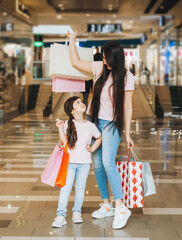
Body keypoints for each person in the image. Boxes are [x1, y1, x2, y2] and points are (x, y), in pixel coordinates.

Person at [67, 29, 135, 229]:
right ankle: (107, 205)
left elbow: (127, 107)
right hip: (93, 121)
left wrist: (128, 132)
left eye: (107, 59)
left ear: (115, 58)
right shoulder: (99, 69)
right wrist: (72, 40)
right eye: (103, 59)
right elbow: (75, 62)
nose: (104, 62)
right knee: (96, 164)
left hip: (112, 124)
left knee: (107, 162)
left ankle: (121, 206)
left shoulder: (126, 77)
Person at [52, 96, 102, 228]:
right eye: (78, 102)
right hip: (69, 162)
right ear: (72, 111)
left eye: (81, 101)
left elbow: (99, 137)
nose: (82, 103)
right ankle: (61, 215)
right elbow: (64, 142)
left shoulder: (91, 126)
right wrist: (60, 128)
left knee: (80, 189)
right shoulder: (69, 124)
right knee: (66, 189)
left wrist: (92, 148)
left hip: (85, 163)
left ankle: (77, 212)